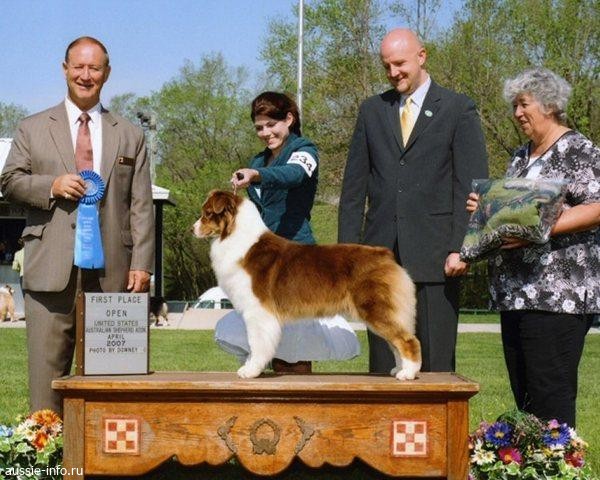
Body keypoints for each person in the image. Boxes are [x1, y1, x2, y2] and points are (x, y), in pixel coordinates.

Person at [0, 36, 155, 414]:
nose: (86, 75)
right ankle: (46, 447)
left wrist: (142, 263)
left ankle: (107, 450)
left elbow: (141, 204)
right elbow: (9, 182)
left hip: (114, 274)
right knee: (46, 381)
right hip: (48, 270)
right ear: (65, 69)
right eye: (79, 67)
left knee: (112, 381)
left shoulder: (130, 134)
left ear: (107, 73)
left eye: (94, 68)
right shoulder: (32, 127)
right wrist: (50, 186)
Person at [338, 28, 488, 374]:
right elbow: (353, 190)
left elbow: (470, 186)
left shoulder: (458, 108)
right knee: (383, 366)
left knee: (434, 368)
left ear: (422, 56)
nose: (393, 73)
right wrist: (347, 255)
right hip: (378, 261)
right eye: (386, 66)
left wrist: (462, 247)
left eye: (400, 64)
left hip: (437, 258)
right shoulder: (372, 110)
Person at [466, 68, 600, 427]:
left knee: (550, 398)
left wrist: (539, 228)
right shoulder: (521, 156)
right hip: (516, 293)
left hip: (557, 297)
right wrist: (487, 207)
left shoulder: (578, 150)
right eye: (514, 106)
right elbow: (517, 208)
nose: (517, 113)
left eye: (523, 104)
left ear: (550, 104)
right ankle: (531, 458)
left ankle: (558, 458)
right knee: (525, 401)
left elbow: (597, 206)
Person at [219, 91, 360, 373]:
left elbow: (293, 175)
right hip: (264, 262)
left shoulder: (305, 150)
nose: (265, 133)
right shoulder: (257, 161)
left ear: (289, 119)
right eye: (259, 127)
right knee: (262, 337)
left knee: (296, 349)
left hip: (298, 256)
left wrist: (258, 176)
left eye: (271, 124)